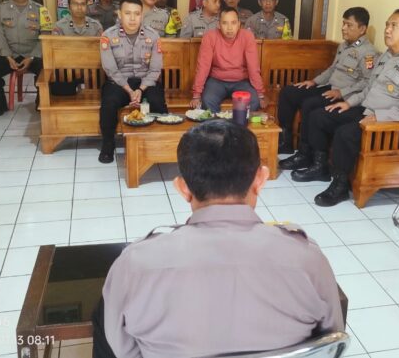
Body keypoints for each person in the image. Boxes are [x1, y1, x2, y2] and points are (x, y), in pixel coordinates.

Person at [95, 119, 344, 358]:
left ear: (183, 188)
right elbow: (329, 343)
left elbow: (123, 350)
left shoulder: (135, 264)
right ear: (260, 179)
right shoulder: (307, 259)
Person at [293, 9, 399, 207]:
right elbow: (368, 88)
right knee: (319, 116)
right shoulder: (386, 57)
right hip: (364, 110)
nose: (387, 30)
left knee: (345, 133)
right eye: (387, 25)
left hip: (384, 124)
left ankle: (340, 186)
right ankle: (320, 167)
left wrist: (380, 117)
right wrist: (349, 102)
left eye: (394, 26)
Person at [277, 7, 378, 160]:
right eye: (343, 23)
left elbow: (366, 81)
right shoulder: (344, 46)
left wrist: (341, 92)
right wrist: (313, 81)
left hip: (345, 95)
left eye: (349, 25)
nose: (343, 28)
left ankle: (305, 153)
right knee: (289, 92)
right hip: (329, 88)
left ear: (362, 29)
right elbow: (332, 69)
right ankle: (286, 141)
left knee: (309, 104)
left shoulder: (368, 53)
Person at [98, 0, 168, 164]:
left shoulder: (153, 36)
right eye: (127, 13)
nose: (132, 18)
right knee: (109, 103)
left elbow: (155, 69)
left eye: (137, 14)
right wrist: (130, 90)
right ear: (119, 14)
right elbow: (110, 69)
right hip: (119, 83)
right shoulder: (108, 36)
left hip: (146, 82)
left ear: (141, 15)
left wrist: (140, 89)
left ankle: (160, 141)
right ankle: (108, 144)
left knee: (157, 101)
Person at [0, 0, 52, 116]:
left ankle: (40, 99)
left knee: (47, 69)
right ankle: (0, 101)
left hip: (33, 54)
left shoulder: (41, 10)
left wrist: (32, 57)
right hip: (10, 54)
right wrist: (7, 56)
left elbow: (46, 35)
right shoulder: (1, 9)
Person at [190, 7, 265, 113]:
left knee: (254, 101)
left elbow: (253, 67)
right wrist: (196, 94)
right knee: (207, 100)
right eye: (225, 23)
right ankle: (219, 124)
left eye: (233, 23)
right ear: (219, 25)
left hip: (242, 81)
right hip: (216, 81)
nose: (229, 28)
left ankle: (237, 123)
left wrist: (260, 94)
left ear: (239, 24)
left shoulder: (247, 36)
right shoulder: (210, 37)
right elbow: (203, 67)